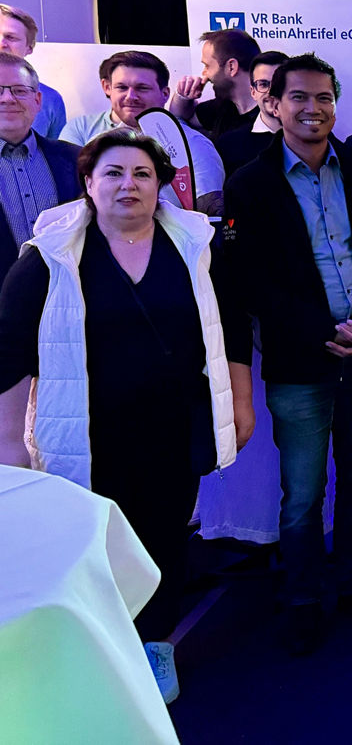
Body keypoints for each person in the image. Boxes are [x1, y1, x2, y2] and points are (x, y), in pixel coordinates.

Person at [0, 129, 244, 704]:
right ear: (88, 184)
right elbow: (9, 352)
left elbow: (228, 326)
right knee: (92, 541)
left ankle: (157, 644)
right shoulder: (48, 257)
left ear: (161, 185)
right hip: (86, 429)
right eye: (112, 173)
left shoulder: (196, 248)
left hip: (174, 425)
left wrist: (240, 399)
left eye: (141, 174)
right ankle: (100, 644)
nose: (127, 185)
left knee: (163, 534)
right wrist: (9, 440)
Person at [218, 53, 352, 654]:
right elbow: (247, 280)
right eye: (298, 97)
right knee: (302, 492)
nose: (313, 108)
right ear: (274, 104)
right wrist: (319, 332)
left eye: (324, 97)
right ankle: (303, 593)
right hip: (300, 361)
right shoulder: (249, 184)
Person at [0, 53, 81, 468]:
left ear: (37, 101)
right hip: (0, 322)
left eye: (19, 90)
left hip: (68, 319)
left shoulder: (76, 160)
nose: (7, 98)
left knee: (63, 439)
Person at [60, 50, 225, 216]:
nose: (131, 96)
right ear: (108, 88)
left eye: (142, 88)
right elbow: (69, 196)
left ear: (165, 94)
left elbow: (209, 215)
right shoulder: (79, 130)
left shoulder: (193, 143)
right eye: (122, 87)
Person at [168, 29, 261, 139]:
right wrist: (182, 96)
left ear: (231, 67)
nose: (204, 74)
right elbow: (180, 118)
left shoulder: (270, 116)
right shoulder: (223, 107)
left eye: (207, 66)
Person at [214, 50, 288, 175]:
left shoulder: (314, 136)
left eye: (279, 83)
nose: (272, 92)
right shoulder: (228, 144)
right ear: (253, 92)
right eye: (263, 84)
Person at [0, 3, 66, 140]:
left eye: (10, 37)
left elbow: (54, 156)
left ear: (29, 47)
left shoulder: (51, 100)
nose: (1, 43)